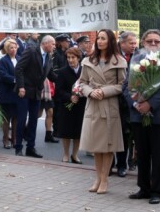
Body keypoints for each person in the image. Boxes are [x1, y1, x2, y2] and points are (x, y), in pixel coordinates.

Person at [123, 29, 160, 204]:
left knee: (158, 154)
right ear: (143, 43)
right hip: (139, 114)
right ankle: (143, 188)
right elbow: (127, 85)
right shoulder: (136, 58)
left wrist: (150, 104)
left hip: (159, 114)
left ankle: (156, 191)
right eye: (149, 41)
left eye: (157, 41)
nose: (153, 44)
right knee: (142, 153)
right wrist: (136, 103)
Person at [79, 29, 126, 194]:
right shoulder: (88, 60)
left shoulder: (118, 61)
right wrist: (90, 92)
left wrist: (104, 91)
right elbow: (82, 82)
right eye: (98, 38)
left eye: (103, 38)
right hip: (92, 105)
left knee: (108, 145)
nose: (99, 41)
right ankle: (97, 178)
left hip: (109, 105)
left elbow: (122, 85)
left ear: (111, 41)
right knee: (95, 145)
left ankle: (105, 180)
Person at [14, 35, 57, 158]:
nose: (54, 46)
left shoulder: (49, 57)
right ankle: (18, 147)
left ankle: (30, 148)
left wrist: (68, 78)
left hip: (37, 92)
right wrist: (21, 86)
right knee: (22, 119)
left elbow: (51, 75)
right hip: (24, 90)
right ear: (46, 43)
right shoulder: (31, 51)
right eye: (53, 44)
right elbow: (19, 68)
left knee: (33, 120)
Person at [54, 47, 86, 163]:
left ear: (78, 58)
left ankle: (75, 155)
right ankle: (66, 154)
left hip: (81, 105)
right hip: (67, 105)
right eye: (68, 57)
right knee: (66, 131)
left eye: (73, 57)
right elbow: (59, 90)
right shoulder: (62, 72)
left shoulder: (84, 71)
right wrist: (70, 97)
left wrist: (81, 94)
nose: (70, 60)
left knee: (78, 132)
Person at [115, 31, 138, 177]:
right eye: (131, 43)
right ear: (122, 43)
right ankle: (121, 164)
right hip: (118, 101)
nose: (134, 46)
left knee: (134, 134)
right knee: (121, 135)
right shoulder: (115, 56)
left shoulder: (140, 56)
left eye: (135, 43)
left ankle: (132, 161)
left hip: (135, 101)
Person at [0, 39, 20, 149]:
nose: (14, 50)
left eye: (15, 47)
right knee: (6, 118)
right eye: (11, 48)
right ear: (7, 49)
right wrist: (15, 80)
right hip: (6, 92)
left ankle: (14, 139)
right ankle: (5, 139)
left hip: (17, 93)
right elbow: (2, 75)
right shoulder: (3, 60)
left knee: (16, 117)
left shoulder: (19, 59)